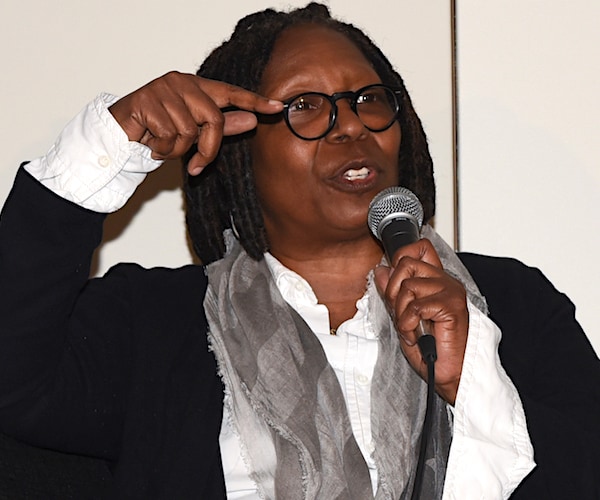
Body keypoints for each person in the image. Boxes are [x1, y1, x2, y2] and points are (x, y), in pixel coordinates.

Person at [0, 3, 598, 499]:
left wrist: (474, 382)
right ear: (237, 150)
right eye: (304, 106)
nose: (350, 126)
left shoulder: (513, 309)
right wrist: (111, 141)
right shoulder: (151, 325)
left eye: (368, 99)